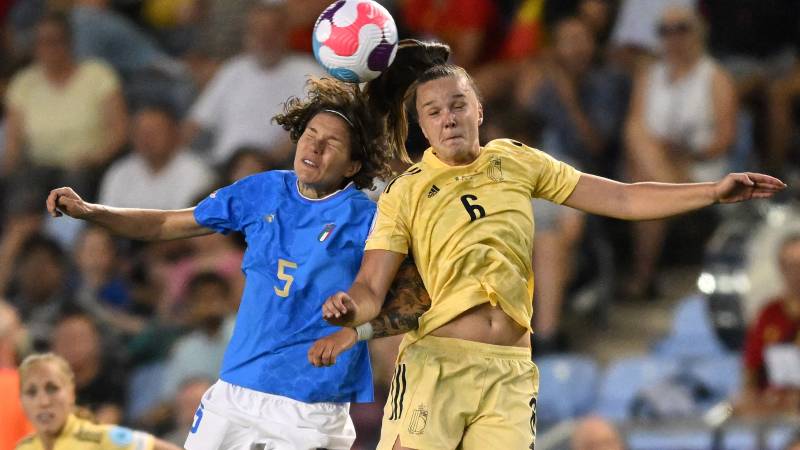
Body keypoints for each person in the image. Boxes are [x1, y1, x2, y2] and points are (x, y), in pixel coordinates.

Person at [315, 41, 785, 450]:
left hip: (511, 370)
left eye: (457, 105)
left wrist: (710, 191)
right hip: (437, 365)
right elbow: (370, 288)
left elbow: (621, 195)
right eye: (433, 112)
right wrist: (347, 309)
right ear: (422, 124)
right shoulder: (407, 192)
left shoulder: (517, 161)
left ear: (479, 110)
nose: (448, 119)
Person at [46, 74, 428, 449]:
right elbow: (165, 223)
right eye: (311, 134)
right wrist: (92, 210)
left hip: (312, 405)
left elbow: (390, 295)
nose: (315, 147)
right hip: (235, 391)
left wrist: (352, 313)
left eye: (331, 143)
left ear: (351, 167)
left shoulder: (367, 217)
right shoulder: (263, 190)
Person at [624, 5, 738, 298]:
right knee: (637, 139)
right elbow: (636, 128)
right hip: (652, 162)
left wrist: (685, 154)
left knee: (644, 185)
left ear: (698, 32)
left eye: (681, 29)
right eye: (666, 30)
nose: (673, 37)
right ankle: (662, 187)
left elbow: (725, 138)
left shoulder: (715, 77)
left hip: (698, 165)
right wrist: (660, 156)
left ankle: (642, 278)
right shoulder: (648, 75)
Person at [15, 352, 181, 450]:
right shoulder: (24, 448)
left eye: (53, 389)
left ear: (71, 393)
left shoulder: (98, 438)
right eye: (31, 392)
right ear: (21, 401)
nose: (43, 401)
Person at [739, 234, 800, 415]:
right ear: (781, 268)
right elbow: (751, 367)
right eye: (791, 265)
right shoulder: (769, 314)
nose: (797, 272)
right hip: (776, 407)